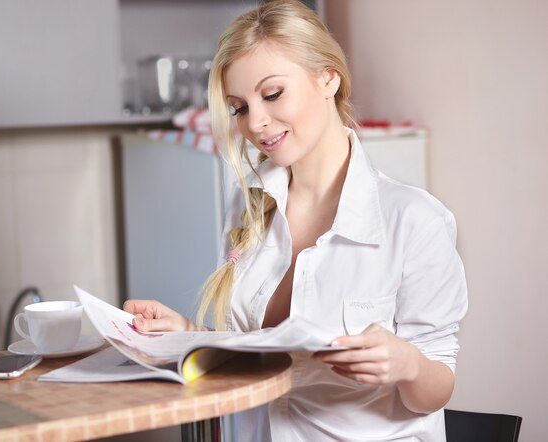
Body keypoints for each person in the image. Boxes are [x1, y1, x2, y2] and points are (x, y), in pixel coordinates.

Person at [124, 1, 468, 440]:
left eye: (271, 94)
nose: (256, 123)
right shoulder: (249, 206)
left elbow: (434, 392)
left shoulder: (414, 221)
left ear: (328, 78)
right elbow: (260, 353)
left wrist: (407, 364)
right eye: (239, 107)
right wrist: (190, 336)